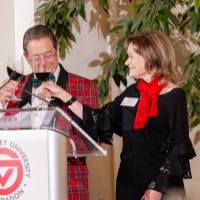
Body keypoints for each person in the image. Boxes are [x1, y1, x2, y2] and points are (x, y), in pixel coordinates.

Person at [41, 31, 196, 200]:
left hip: (162, 189)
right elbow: (99, 119)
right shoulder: (131, 93)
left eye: (131, 56)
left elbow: (178, 146)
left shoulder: (174, 96)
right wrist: (63, 94)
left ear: (149, 56)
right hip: (128, 187)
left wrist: (157, 187)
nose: (127, 62)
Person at [0, 24, 99, 200]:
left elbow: (95, 135)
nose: (43, 63)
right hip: (23, 184)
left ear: (58, 49)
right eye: (36, 58)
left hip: (68, 183)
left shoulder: (85, 86)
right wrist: (1, 105)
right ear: (26, 58)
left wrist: (67, 144)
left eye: (48, 55)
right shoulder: (14, 87)